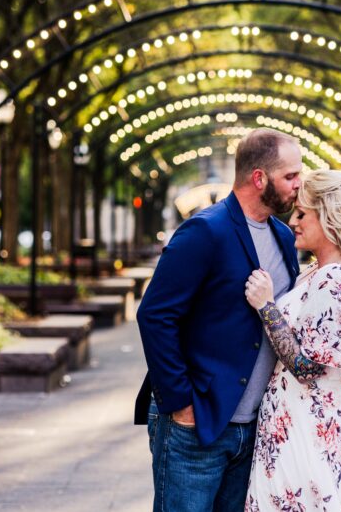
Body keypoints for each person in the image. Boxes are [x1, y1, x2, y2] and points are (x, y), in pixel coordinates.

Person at [135, 128, 303, 512]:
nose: (299, 185)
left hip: (254, 428)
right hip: (196, 427)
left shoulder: (283, 237)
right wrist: (181, 405)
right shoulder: (205, 230)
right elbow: (154, 315)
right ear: (259, 178)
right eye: (290, 176)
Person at [243, 170, 341, 512]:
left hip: (315, 435)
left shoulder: (338, 282)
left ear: (329, 218)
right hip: (303, 426)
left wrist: (266, 307)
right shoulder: (318, 273)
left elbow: (306, 367)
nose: (294, 220)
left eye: (303, 213)